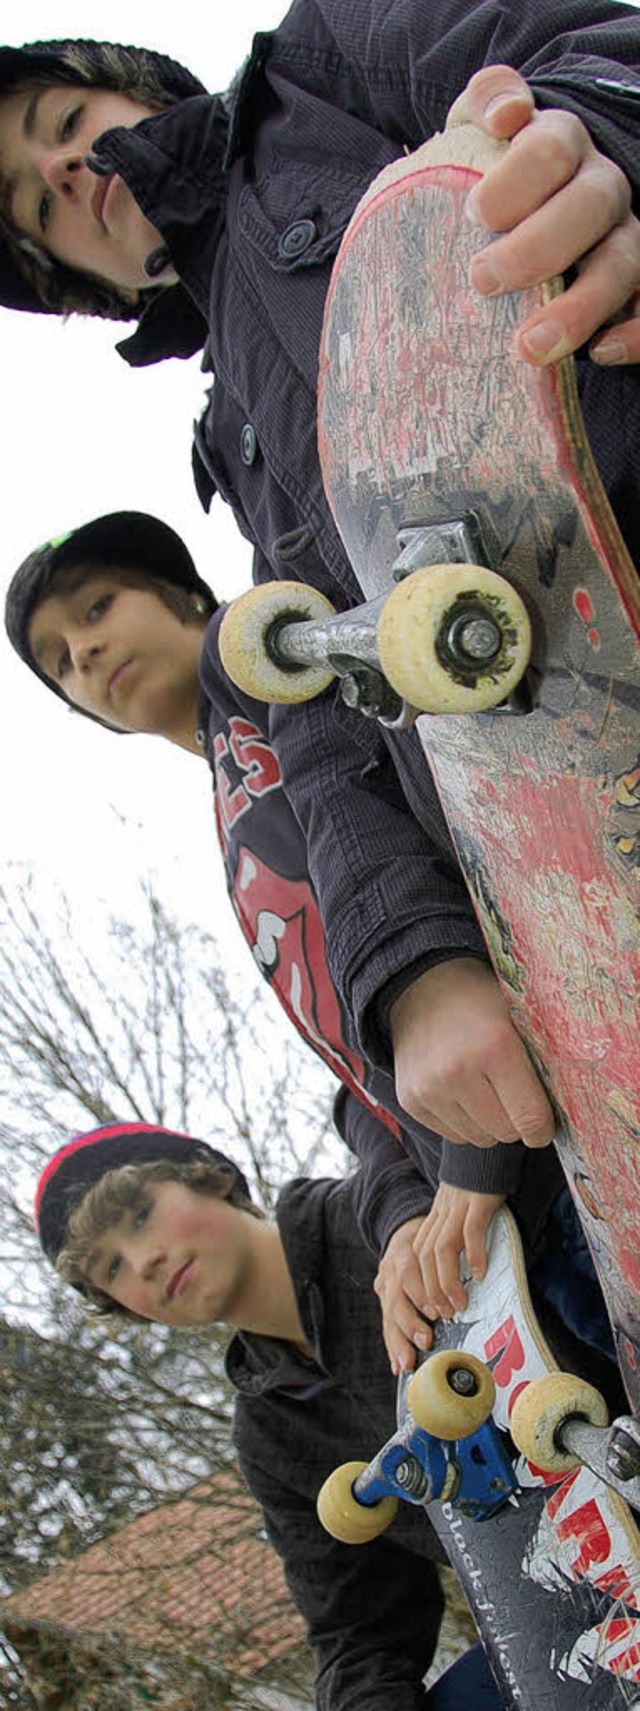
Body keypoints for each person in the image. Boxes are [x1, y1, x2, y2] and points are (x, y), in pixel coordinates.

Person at [1, 3, 640, 1156]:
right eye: (39, 207)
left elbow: (578, 40)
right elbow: (326, 697)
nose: (64, 171)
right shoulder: (236, 443)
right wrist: (413, 966)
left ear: (131, 85)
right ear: (80, 281)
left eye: (62, 122)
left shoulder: (320, 67)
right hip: (592, 850)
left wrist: (604, 136)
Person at [4, 509, 617, 1377]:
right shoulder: (229, 811)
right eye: (60, 660)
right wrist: (401, 1205)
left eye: (97, 608)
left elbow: (425, 842)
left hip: (558, 1114)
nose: (85, 654)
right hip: (512, 1199)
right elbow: (351, 1074)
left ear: (180, 594)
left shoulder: (260, 659)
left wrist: (477, 1145)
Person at [31, 1116, 506, 1709]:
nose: (142, 1261)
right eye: (111, 1269)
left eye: (140, 1215)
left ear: (209, 1177)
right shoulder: (271, 1437)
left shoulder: (387, 1208)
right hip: (565, 1596)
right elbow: (359, 1630)